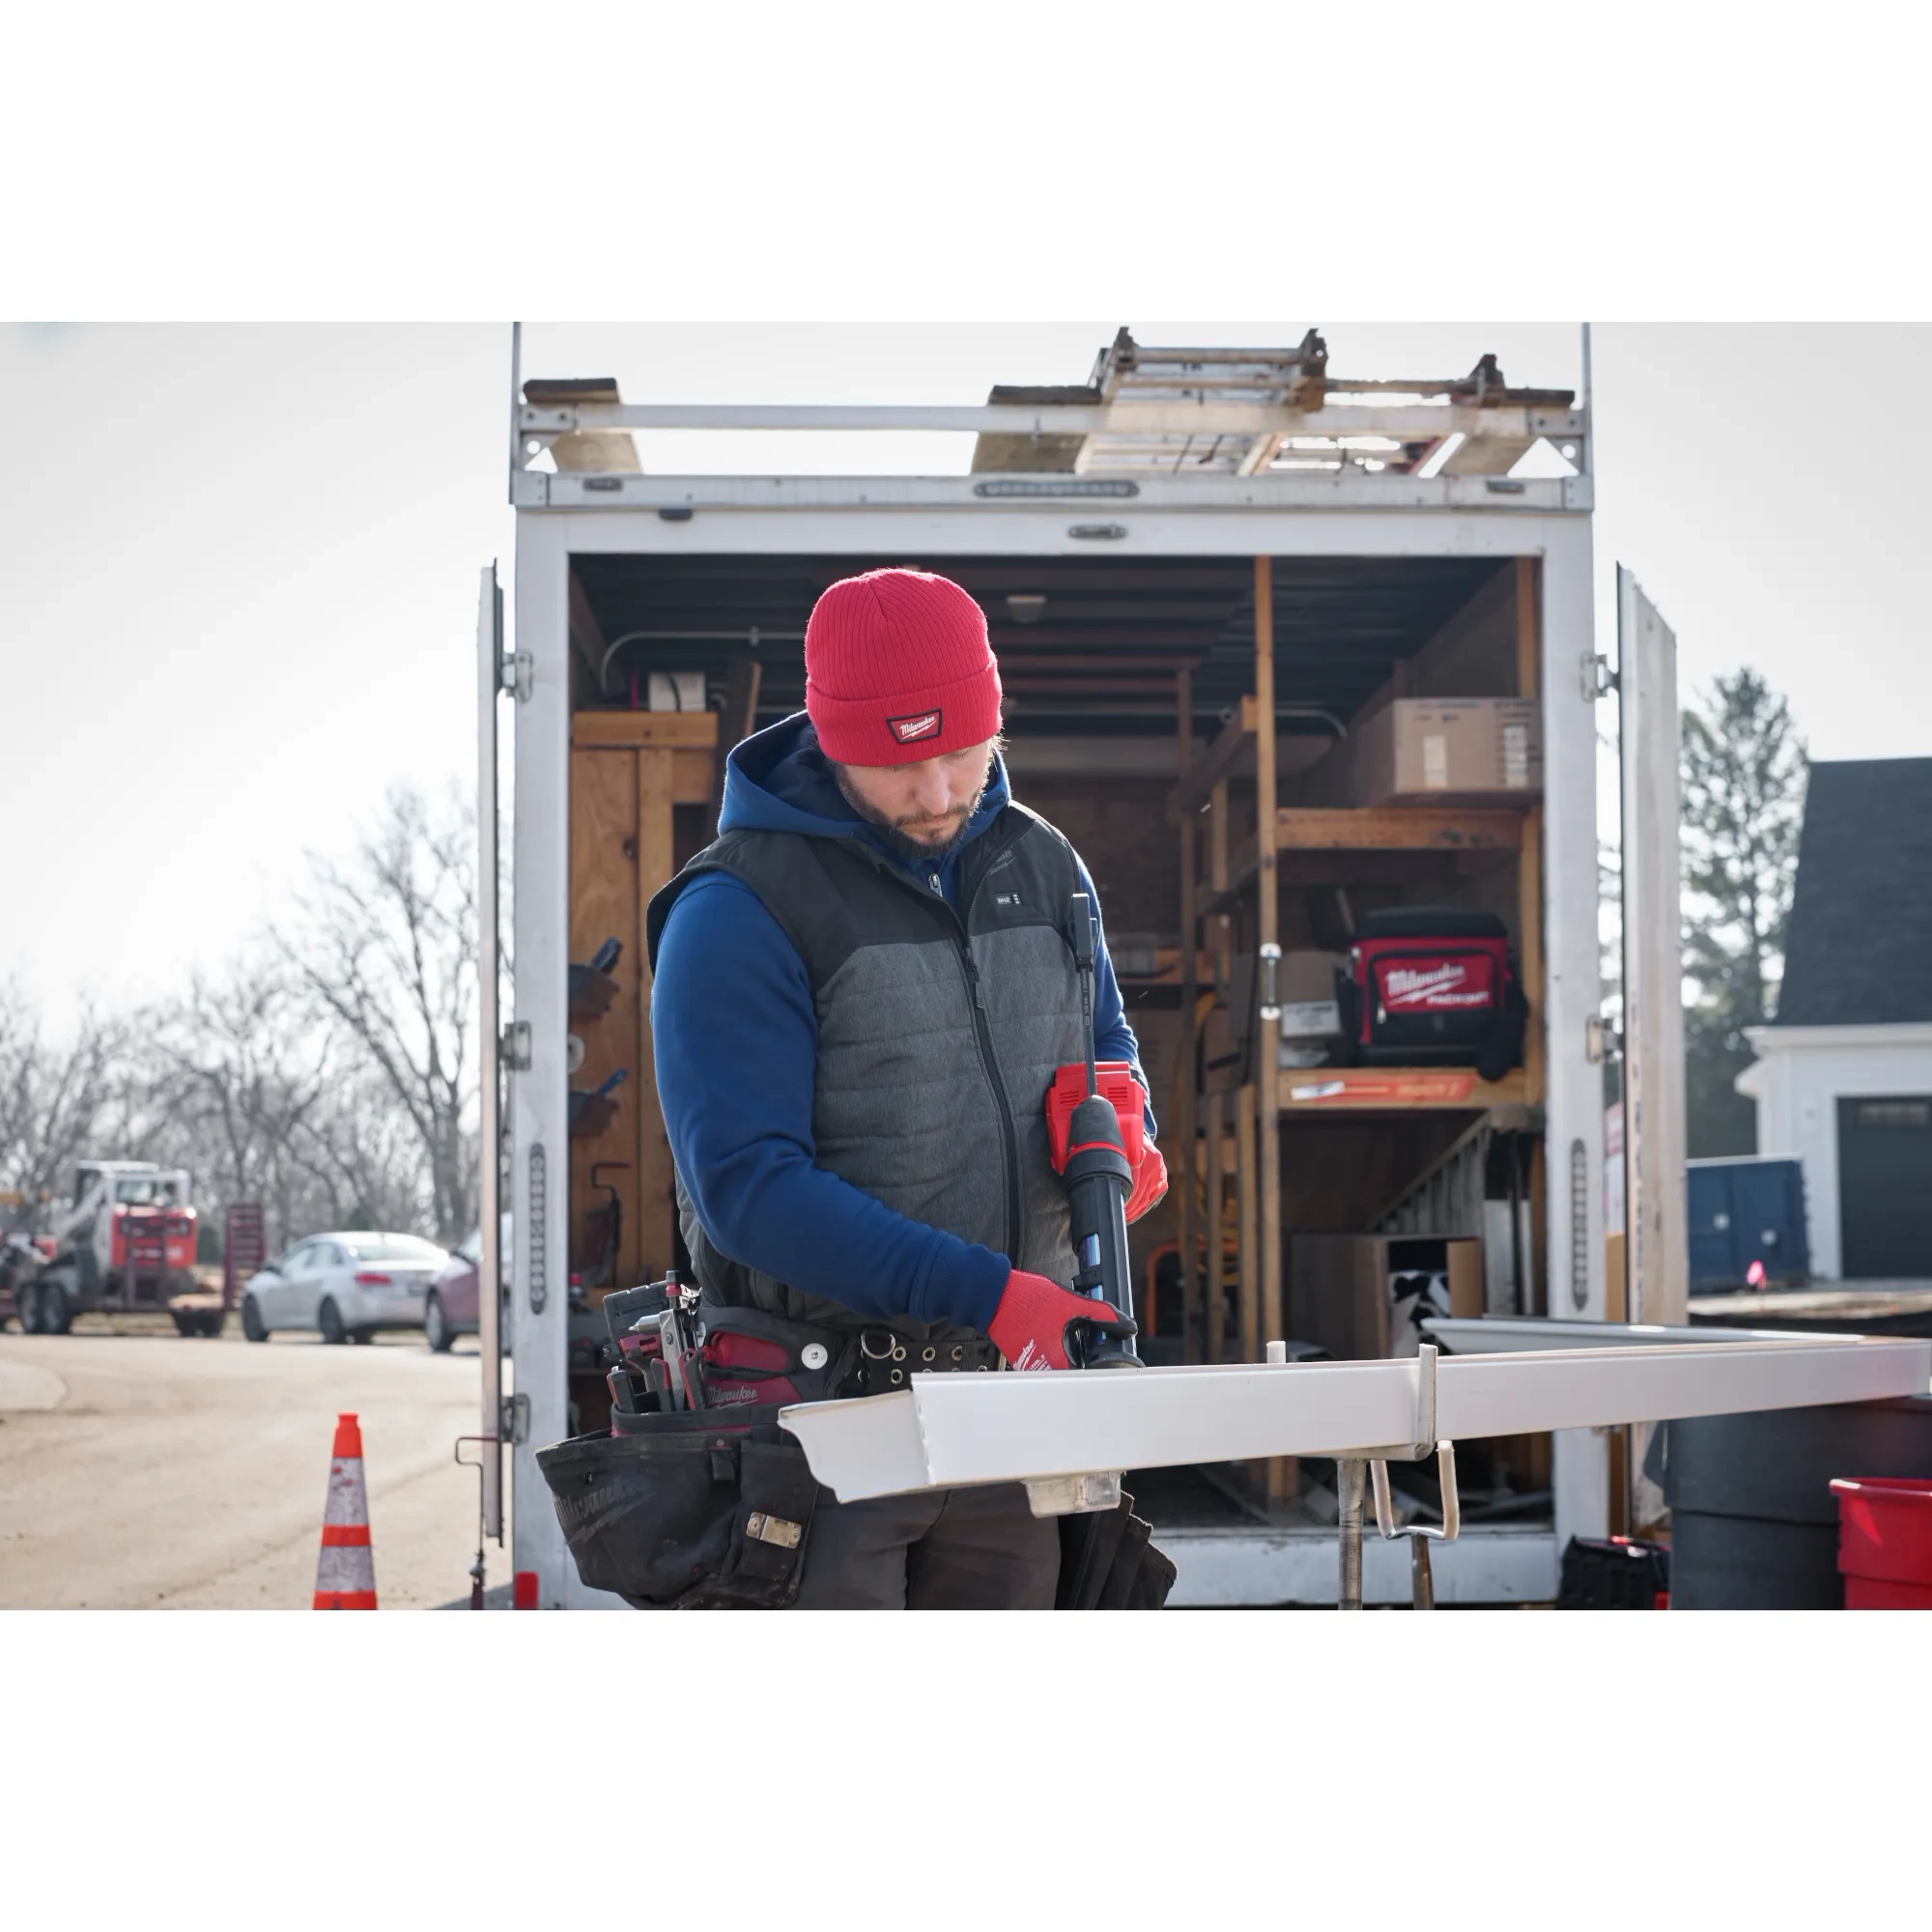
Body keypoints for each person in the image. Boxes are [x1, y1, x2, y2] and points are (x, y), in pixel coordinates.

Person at [647, 567, 1167, 1608]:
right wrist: (987, 1291)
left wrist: (1124, 1111)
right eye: (896, 762)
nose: (934, 791)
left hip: (1009, 1419)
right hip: (826, 1427)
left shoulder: (1047, 866)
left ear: (996, 718)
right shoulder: (738, 908)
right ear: (832, 740)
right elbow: (746, 1188)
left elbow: (1101, 1037)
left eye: (959, 750)